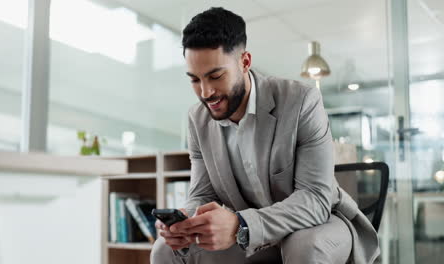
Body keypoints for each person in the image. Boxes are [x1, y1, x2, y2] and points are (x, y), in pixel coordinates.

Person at [151, 7, 379, 264]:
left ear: (245, 62)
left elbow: (315, 197)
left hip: (318, 221)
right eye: (195, 79)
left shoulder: (302, 101)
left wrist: (240, 225)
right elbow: (203, 194)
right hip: (252, 232)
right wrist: (186, 220)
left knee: (304, 246)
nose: (205, 92)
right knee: (163, 250)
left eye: (215, 76)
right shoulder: (197, 120)